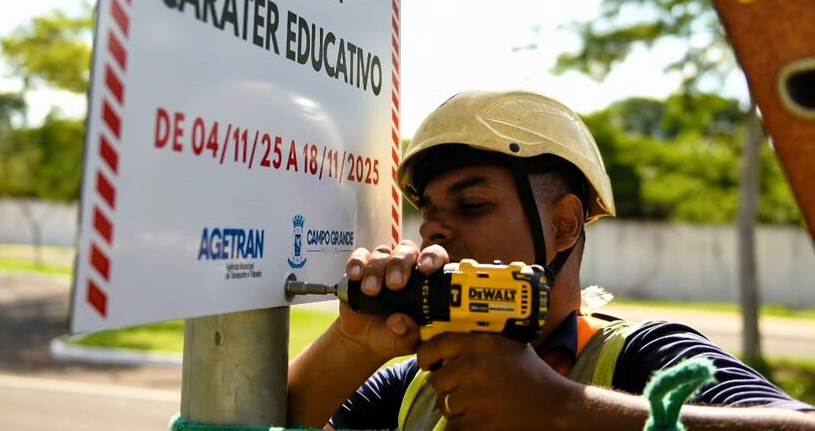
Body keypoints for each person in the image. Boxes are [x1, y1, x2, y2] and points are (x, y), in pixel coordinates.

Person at [288, 90, 815, 430]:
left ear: (563, 224)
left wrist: (560, 407)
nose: (433, 230)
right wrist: (352, 344)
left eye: (471, 205)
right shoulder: (414, 386)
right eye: (428, 211)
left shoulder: (642, 359)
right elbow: (260, 419)